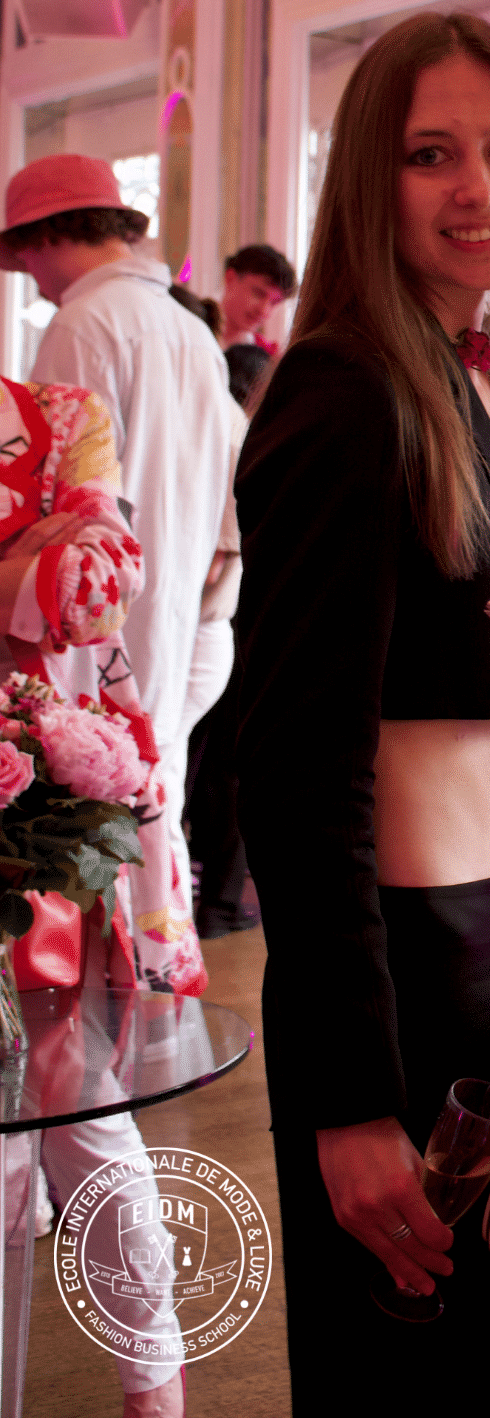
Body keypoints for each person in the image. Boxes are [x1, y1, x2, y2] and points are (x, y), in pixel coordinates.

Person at [235, 12, 490, 1415]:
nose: (479, 188)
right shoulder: (345, 394)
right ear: (368, 180)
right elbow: (297, 767)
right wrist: (349, 1100)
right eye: (431, 154)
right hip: (410, 990)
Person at [0, 365, 188, 1418]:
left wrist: (50, 570)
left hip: (38, 815)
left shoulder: (62, 416)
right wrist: (27, 563)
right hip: (41, 787)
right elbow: (59, 582)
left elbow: (96, 586)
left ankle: (154, 1386)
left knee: (78, 1105)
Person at [0, 154, 235, 993]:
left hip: (97, 627)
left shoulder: (83, 325)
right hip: (188, 610)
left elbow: (54, 514)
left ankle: (117, 1003)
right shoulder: (190, 328)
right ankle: (158, 997)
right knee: (150, 812)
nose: (28, 277)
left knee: (100, 835)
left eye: (25, 252)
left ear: (48, 235)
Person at [209, 242, 297, 353]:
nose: (263, 310)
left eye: (274, 302)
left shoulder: (268, 356)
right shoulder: (192, 329)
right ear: (230, 278)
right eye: (258, 293)